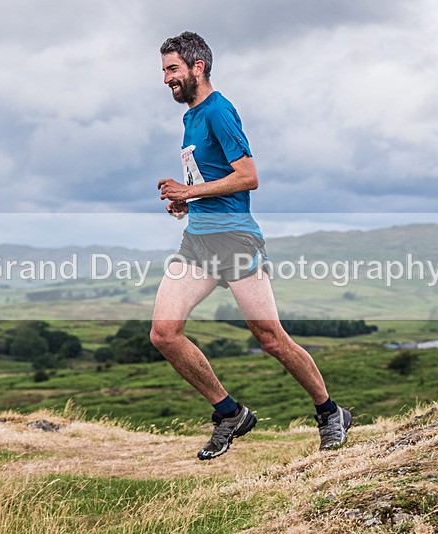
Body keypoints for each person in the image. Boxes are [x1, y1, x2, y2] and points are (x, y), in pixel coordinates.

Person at [151, 31, 352, 461]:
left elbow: (248, 177)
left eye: (172, 69)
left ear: (196, 67)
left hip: (236, 240)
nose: (166, 77)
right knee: (164, 333)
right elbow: (207, 180)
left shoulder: (220, 111)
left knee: (270, 338)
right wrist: (186, 202)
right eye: (164, 69)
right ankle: (229, 413)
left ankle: (330, 412)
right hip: (198, 244)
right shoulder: (190, 117)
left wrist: (191, 193)